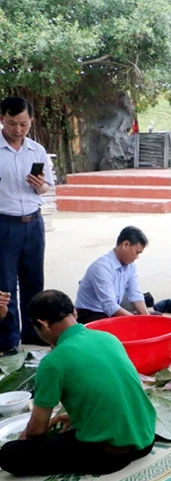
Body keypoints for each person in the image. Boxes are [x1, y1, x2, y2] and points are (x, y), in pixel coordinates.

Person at [0, 290, 155, 476]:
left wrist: (25, 438)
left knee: (10, 454)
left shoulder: (53, 362)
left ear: (43, 325)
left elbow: (36, 430)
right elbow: (112, 389)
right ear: (74, 312)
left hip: (112, 454)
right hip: (146, 439)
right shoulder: (108, 338)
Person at [0, 97, 54, 355]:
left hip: (33, 223)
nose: (18, 130)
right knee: (5, 285)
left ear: (31, 121)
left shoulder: (37, 151)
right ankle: (9, 338)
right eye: (12, 123)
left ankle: (34, 331)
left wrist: (39, 184)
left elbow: (47, 187)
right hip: (4, 224)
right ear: (2, 119)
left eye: (23, 124)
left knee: (34, 282)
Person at [74, 226, 150, 324]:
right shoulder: (101, 268)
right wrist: (136, 322)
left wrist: (148, 319)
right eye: (136, 252)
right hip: (90, 313)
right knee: (126, 329)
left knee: (155, 317)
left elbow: (136, 295)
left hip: (110, 310)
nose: (137, 257)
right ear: (125, 245)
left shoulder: (131, 266)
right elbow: (110, 306)